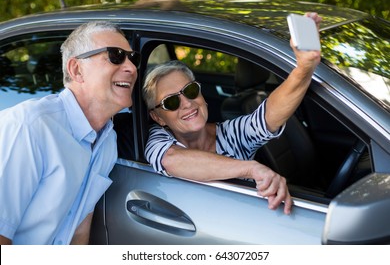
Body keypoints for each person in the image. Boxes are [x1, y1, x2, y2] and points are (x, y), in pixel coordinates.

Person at [143, 13, 322, 215]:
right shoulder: (159, 140)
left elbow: (268, 116)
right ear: (158, 117)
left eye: (191, 91)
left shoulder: (230, 134)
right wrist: (251, 168)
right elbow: (172, 160)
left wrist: (304, 69)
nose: (187, 103)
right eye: (171, 102)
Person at [0, 21, 139, 244]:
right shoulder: (30, 127)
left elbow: (79, 230)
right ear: (77, 70)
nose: (132, 68)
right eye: (116, 55)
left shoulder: (107, 139)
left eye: (133, 58)